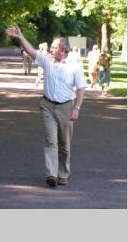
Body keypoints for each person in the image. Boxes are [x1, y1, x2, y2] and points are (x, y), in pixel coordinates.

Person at [6, 27, 87, 187]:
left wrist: (76, 108)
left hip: (66, 107)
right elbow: (30, 51)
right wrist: (20, 36)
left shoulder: (75, 66)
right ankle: (51, 174)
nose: (51, 49)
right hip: (48, 105)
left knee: (64, 143)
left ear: (63, 51)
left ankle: (63, 173)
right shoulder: (46, 60)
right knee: (51, 141)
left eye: (55, 47)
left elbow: (81, 89)